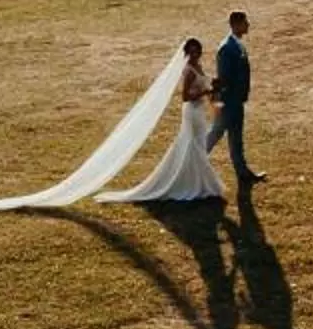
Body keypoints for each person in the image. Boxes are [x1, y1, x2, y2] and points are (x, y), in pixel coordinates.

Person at [95, 37, 224, 204]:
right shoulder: (189, 71)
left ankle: (197, 182)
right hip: (192, 112)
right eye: (191, 51)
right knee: (194, 146)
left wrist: (211, 92)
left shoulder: (198, 67)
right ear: (186, 53)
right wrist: (206, 92)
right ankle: (197, 184)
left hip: (198, 112)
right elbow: (185, 96)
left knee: (197, 144)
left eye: (196, 50)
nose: (194, 54)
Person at [206, 9, 264, 190]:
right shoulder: (227, 48)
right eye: (245, 22)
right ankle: (193, 163)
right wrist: (222, 100)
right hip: (229, 102)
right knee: (215, 135)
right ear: (235, 24)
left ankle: (243, 172)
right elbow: (224, 78)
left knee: (236, 138)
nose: (248, 25)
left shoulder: (236, 44)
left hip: (236, 101)